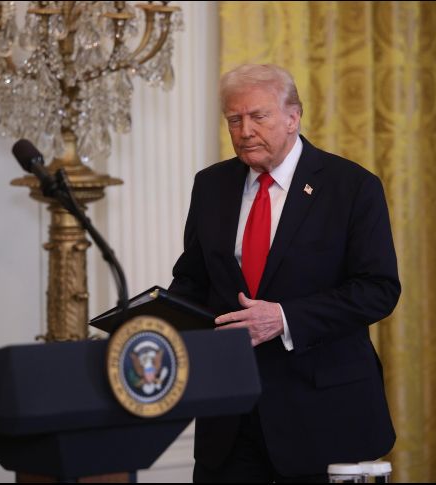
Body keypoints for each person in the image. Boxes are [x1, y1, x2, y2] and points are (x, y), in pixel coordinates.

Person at [168, 64, 401, 483]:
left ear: (293, 117)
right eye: (234, 119)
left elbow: (377, 289)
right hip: (230, 420)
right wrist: (150, 322)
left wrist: (284, 318)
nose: (244, 131)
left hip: (322, 417)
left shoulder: (351, 187)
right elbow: (193, 281)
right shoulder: (211, 185)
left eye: (258, 116)